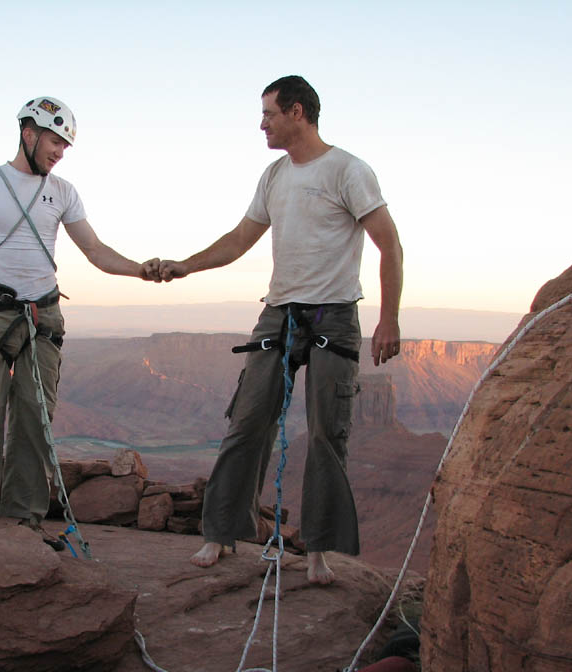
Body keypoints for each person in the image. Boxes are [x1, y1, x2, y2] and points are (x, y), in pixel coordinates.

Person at [159, 76, 404, 584]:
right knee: (247, 421)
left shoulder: (348, 170)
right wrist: (187, 266)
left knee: (325, 432)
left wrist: (390, 318)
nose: (262, 123)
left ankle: (317, 553)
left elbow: (390, 244)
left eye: (269, 113)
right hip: (279, 313)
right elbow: (240, 238)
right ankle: (221, 533)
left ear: (297, 112)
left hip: (334, 314)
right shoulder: (273, 175)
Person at [0, 96, 160, 534]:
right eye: (55, 142)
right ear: (28, 134)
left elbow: (95, 250)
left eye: (65, 146)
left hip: (45, 318)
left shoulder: (63, 193)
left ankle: (23, 521)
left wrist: (140, 270)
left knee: (35, 421)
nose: (59, 152)